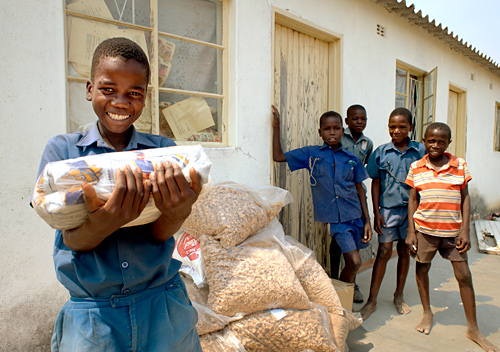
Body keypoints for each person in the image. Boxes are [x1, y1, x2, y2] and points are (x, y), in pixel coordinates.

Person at [35, 37, 203, 352]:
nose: (121, 102)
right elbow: (71, 239)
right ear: (89, 89)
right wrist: (107, 221)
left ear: (145, 97)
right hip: (94, 319)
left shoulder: (164, 153)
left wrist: (178, 212)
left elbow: (159, 235)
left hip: (163, 308)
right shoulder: (63, 152)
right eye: (108, 89)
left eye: (133, 93)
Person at [406, 122, 499, 352]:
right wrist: (411, 231)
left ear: (449, 142)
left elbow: (465, 198)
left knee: (464, 275)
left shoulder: (460, 166)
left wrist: (465, 230)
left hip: (452, 233)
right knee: (421, 269)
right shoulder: (416, 166)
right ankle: (427, 312)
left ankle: (473, 328)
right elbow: (412, 199)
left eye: (440, 141)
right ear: (424, 141)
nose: (435, 145)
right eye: (430, 140)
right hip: (425, 231)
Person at [271, 105, 372, 287]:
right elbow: (278, 157)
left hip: (356, 216)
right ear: (320, 132)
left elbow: (360, 191)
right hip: (337, 221)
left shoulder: (352, 159)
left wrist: (367, 221)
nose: (332, 133)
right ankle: (341, 295)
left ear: (343, 131)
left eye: (336, 128)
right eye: (327, 129)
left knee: (351, 263)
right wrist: (276, 126)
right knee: (355, 262)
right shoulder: (312, 155)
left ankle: (344, 293)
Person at [359, 107, 426, 320]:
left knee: (405, 251)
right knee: (384, 252)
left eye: (402, 127)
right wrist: (377, 212)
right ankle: (372, 300)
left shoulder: (420, 151)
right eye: (392, 127)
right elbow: (376, 183)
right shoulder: (381, 152)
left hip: (412, 211)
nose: (396, 131)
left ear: (411, 128)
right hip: (388, 210)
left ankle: (399, 294)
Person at [331, 104, 373, 303]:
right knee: (337, 239)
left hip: (357, 194)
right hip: (338, 195)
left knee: (354, 239)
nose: (359, 122)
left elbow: (364, 168)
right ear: (347, 121)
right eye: (355, 119)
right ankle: (333, 279)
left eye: (363, 119)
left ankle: (351, 283)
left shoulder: (367, 143)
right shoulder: (339, 137)